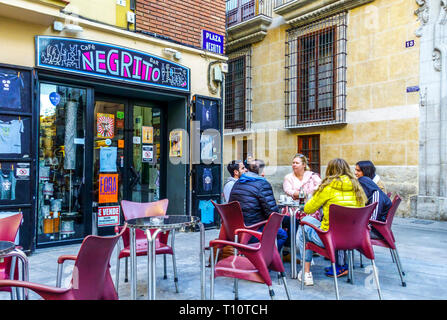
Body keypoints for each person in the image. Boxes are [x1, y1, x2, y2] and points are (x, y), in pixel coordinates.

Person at [297, 158, 367, 286]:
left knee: (304, 225)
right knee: (307, 221)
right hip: (354, 238)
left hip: (329, 239)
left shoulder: (327, 188)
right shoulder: (357, 187)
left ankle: (306, 272)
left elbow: (307, 209)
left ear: (329, 171)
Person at [229, 159, 288, 252]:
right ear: (262, 171)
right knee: (282, 235)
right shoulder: (263, 184)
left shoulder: (237, 182)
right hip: (252, 230)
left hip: (236, 231)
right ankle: (265, 259)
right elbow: (273, 214)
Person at [282, 153, 321, 261]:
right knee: (288, 216)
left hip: (309, 206)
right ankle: (288, 248)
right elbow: (288, 191)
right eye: (293, 163)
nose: (294, 165)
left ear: (303, 164)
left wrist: (299, 193)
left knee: (313, 214)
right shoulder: (288, 177)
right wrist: (304, 193)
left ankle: (312, 244)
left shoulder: (313, 176)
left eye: (297, 163)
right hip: (293, 207)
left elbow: (319, 187)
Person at [357, 175, 392, 239]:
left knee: (348, 233)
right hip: (379, 229)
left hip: (376, 231)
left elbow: (373, 219)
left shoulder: (376, 195)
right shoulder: (376, 193)